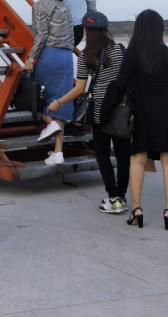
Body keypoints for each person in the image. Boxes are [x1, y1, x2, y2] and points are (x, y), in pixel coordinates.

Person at [113, 9, 168, 230]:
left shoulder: (132, 54)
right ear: (160, 30)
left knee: (137, 159)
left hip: (141, 109)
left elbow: (120, 82)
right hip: (166, 108)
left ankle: (136, 210)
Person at [52, 12, 131, 213]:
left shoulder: (85, 56)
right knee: (123, 155)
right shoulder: (120, 50)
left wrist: (59, 102)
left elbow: (79, 88)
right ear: (105, 30)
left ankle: (113, 197)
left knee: (103, 154)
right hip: (121, 110)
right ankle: (121, 196)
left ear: (86, 30)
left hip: (99, 111)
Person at [24, 0, 75, 166]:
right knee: (59, 102)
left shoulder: (40, 6)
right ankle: (58, 152)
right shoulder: (64, 6)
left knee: (33, 97)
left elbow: (41, 36)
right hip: (65, 57)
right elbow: (70, 36)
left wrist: (30, 58)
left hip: (50, 54)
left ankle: (50, 123)